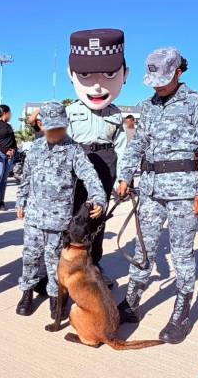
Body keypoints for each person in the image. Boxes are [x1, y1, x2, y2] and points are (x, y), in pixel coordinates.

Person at [115, 47, 198, 344]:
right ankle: (132, 301)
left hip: (183, 193)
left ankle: (181, 312)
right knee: (143, 250)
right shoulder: (147, 106)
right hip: (149, 190)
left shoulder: (195, 103)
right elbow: (136, 145)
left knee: (181, 253)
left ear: (179, 72)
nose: (158, 85)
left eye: (163, 78)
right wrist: (125, 175)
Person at [15, 101, 106, 318]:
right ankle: (27, 291)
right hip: (35, 217)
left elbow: (90, 175)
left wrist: (99, 198)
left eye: (60, 127)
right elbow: (25, 178)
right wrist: (21, 201)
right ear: (42, 124)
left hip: (59, 220)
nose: (56, 131)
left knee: (54, 261)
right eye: (52, 127)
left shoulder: (73, 149)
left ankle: (56, 299)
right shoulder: (35, 148)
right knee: (30, 257)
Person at [66, 28, 129, 288]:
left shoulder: (116, 113)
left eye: (109, 74)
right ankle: (65, 268)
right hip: (77, 162)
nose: (97, 84)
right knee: (70, 216)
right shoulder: (69, 111)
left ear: (124, 75)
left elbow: (123, 146)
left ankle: (94, 267)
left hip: (106, 162)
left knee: (97, 218)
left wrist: (123, 178)